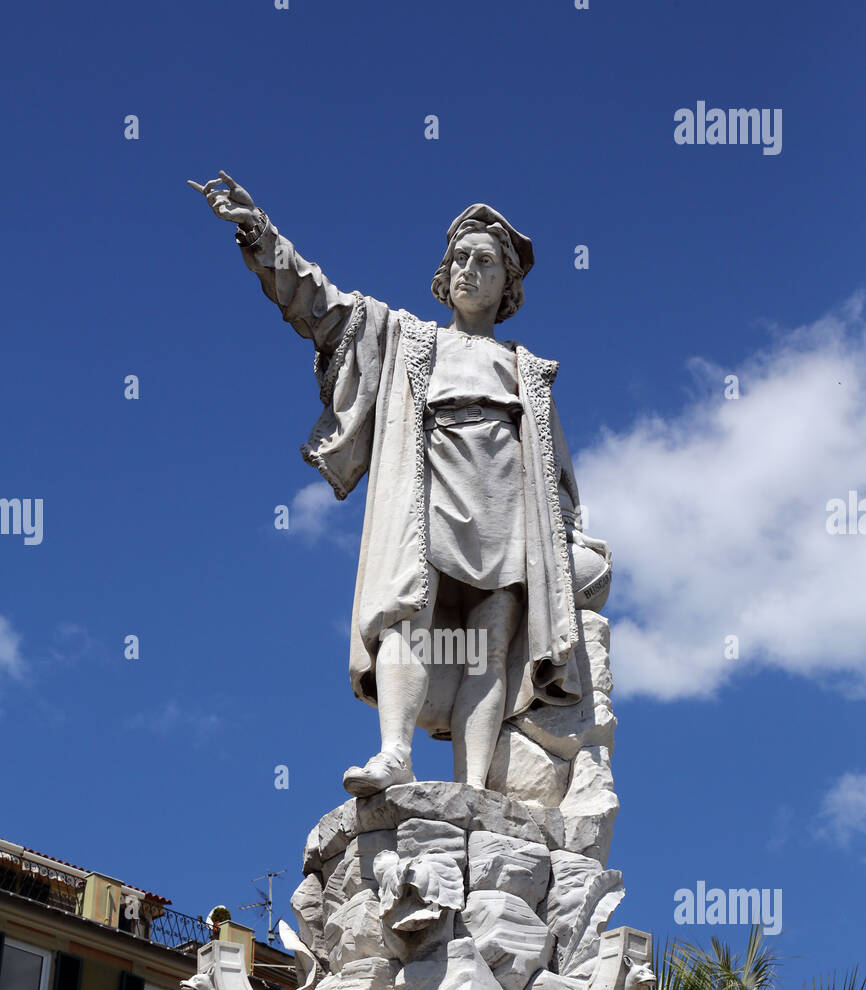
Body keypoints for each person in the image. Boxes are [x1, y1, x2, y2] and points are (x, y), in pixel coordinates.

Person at [189, 173, 611, 796]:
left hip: (506, 512)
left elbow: (557, 477)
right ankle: (395, 752)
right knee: (403, 616)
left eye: (485, 262)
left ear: (508, 284)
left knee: (487, 648)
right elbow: (319, 305)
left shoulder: (527, 372)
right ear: (445, 274)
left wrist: (571, 536)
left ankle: (470, 787)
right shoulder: (404, 338)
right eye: (459, 259)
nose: (468, 270)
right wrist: (261, 235)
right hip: (427, 496)